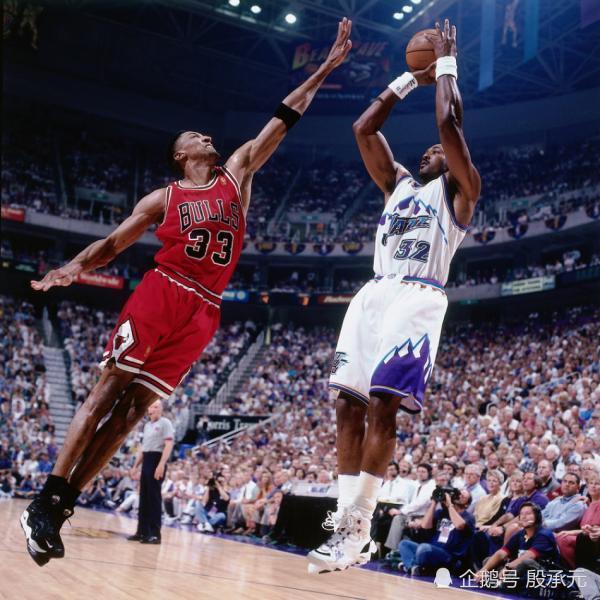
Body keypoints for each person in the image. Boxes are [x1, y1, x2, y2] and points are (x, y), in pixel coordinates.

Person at [19, 18, 353, 567]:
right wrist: (73, 267)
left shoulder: (236, 175)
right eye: (197, 137)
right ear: (180, 154)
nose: (208, 138)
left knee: (131, 414)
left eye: (207, 135)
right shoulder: (164, 198)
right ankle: (45, 499)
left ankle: (63, 507)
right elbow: (112, 244)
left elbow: (282, 119)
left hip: (205, 311)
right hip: (164, 291)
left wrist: (324, 69)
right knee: (106, 393)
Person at [308, 18, 481, 574]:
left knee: (383, 406)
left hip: (418, 297)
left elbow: (449, 124)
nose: (430, 150)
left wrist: (446, 68)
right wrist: (410, 78)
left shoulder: (461, 192)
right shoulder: (399, 185)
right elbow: (364, 128)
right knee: (346, 405)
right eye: (426, 150)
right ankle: (346, 526)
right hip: (374, 294)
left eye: (438, 151)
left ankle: (358, 526)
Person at [474, 503, 561, 592]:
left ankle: (501, 584)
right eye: (521, 514)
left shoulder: (544, 534)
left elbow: (529, 556)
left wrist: (507, 567)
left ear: (537, 517)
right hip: (521, 571)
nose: (524, 517)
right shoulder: (521, 534)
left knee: (527, 562)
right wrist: (483, 570)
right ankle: (498, 582)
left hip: (543, 572)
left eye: (528, 513)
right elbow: (502, 553)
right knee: (489, 560)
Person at [127, 400, 174, 544]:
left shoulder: (165, 423)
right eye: (152, 406)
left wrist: (161, 464)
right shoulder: (147, 425)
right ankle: (142, 532)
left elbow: (169, 444)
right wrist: (135, 466)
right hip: (147, 459)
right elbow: (143, 448)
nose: (153, 409)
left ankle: (155, 534)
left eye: (157, 407)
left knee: (154, 499)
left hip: (157, 459)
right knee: (144, 497)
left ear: (161, 409)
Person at [398, 489, 474, 576]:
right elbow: (425, 526)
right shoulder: (442, 513)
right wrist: (434, 502)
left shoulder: (469, 517)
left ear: (467, 504)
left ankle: (410, 565)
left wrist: (450, 505)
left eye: (463, 496)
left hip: (449, 556)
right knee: (404, 544)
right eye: (459, 493)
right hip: (432, 549)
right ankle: (414, 568)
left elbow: (459, 525)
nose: (459, 496)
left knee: (423, 548)